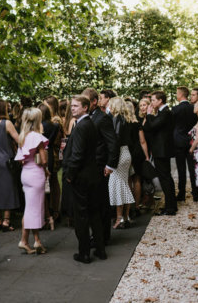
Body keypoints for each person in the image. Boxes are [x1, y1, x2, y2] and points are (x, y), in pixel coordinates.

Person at [63, 95, 103, 264]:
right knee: (94, 213)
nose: (72, 108)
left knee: (82, 215)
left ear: (85, 108)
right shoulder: (90, 123)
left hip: (82, 177)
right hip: (92, 174)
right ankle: (100, 250)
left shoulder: (82, 126)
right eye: (71, 106)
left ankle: (84, 253)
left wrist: (70, 175)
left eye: (76, 106)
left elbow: (77, 155)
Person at [82, 87, 119, 248]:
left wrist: (110, 164)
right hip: (89, 166)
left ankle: (103, 237)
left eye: (85, 102)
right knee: (94, 202)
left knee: (101, 203)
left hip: (100, 166)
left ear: (94, 102)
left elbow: (113, 143)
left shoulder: (102, 118)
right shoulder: (88, 117)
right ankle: (97, 235)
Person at [15, 107, 50, 254]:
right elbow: (43, 160)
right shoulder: (37, 137)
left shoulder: (22, 137)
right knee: (34, 209)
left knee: (30, 208)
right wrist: (46, 163)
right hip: (36, 174)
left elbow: (21, 160)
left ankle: (35, 241)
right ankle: (28, 241)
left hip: (26, 174)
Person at [0, 98, 20, 231]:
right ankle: (6, 221)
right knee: (8, 189)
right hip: (6, 160)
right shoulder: (7, 123)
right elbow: (19, 140)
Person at [143, 90, 177, 215]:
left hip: (162, 150)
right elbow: (147, 128)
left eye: (153, 100)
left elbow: (152, 126)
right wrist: (150, 117)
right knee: (165, 178)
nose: (151, 103)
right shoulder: (160, 113)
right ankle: (171, 205)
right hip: (160, 150)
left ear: (160, 100)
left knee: (165, 178)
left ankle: (170, 208)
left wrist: (148, 114)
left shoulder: (166, 113)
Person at [107, 97, 136, 228]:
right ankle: (126, 216)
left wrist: (111, 156)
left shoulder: (117, 119)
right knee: (123, 184)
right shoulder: (127, 119)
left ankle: (120, 218)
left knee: (118, 185)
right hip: (126, 152)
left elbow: (116, 139)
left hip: (119, 153)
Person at [172, 86, 198, 202]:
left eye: (177, 93)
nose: (176, 95)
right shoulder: (194, 108)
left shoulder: (175, 109)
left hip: (178, 142)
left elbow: (171, 126)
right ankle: (195, 193)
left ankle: (181, 194)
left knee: (181, 169)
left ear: (181, 94)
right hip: (191, 141)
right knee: (192, 169)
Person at [38, 102, 60, 230]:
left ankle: (45, 214)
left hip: (41, 155)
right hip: (50, 154)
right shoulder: (55, 126)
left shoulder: (38, 127)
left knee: (42, 186)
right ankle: (52, 210)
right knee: (50, 182)